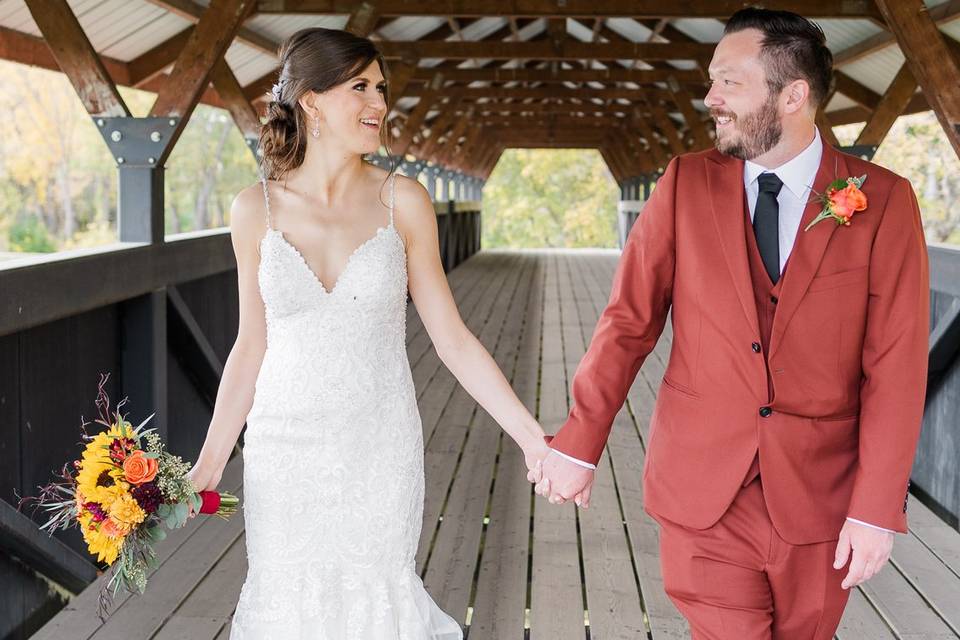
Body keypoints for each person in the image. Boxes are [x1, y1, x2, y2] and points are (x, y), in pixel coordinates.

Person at [532, 8, 929, 639]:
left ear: (793, 94)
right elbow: (629, 322)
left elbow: (897, 364)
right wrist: (580, 440)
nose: (710, 98)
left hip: (821, 499)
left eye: (729, 83)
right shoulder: (684, 183)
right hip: (702, 488)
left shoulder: (881, 199)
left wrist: (878, 507)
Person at [185, 27, 550, 640]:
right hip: (284, 451)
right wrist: (209, 465)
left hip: (379, 446)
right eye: (361, 87)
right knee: (287, 603)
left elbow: (453, 338)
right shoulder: (254, 210)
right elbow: (251, 345)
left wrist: (531, 438)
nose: (379, 103)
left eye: (381, 88)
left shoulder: (402, 201)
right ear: (311, 101)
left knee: (378, 604)